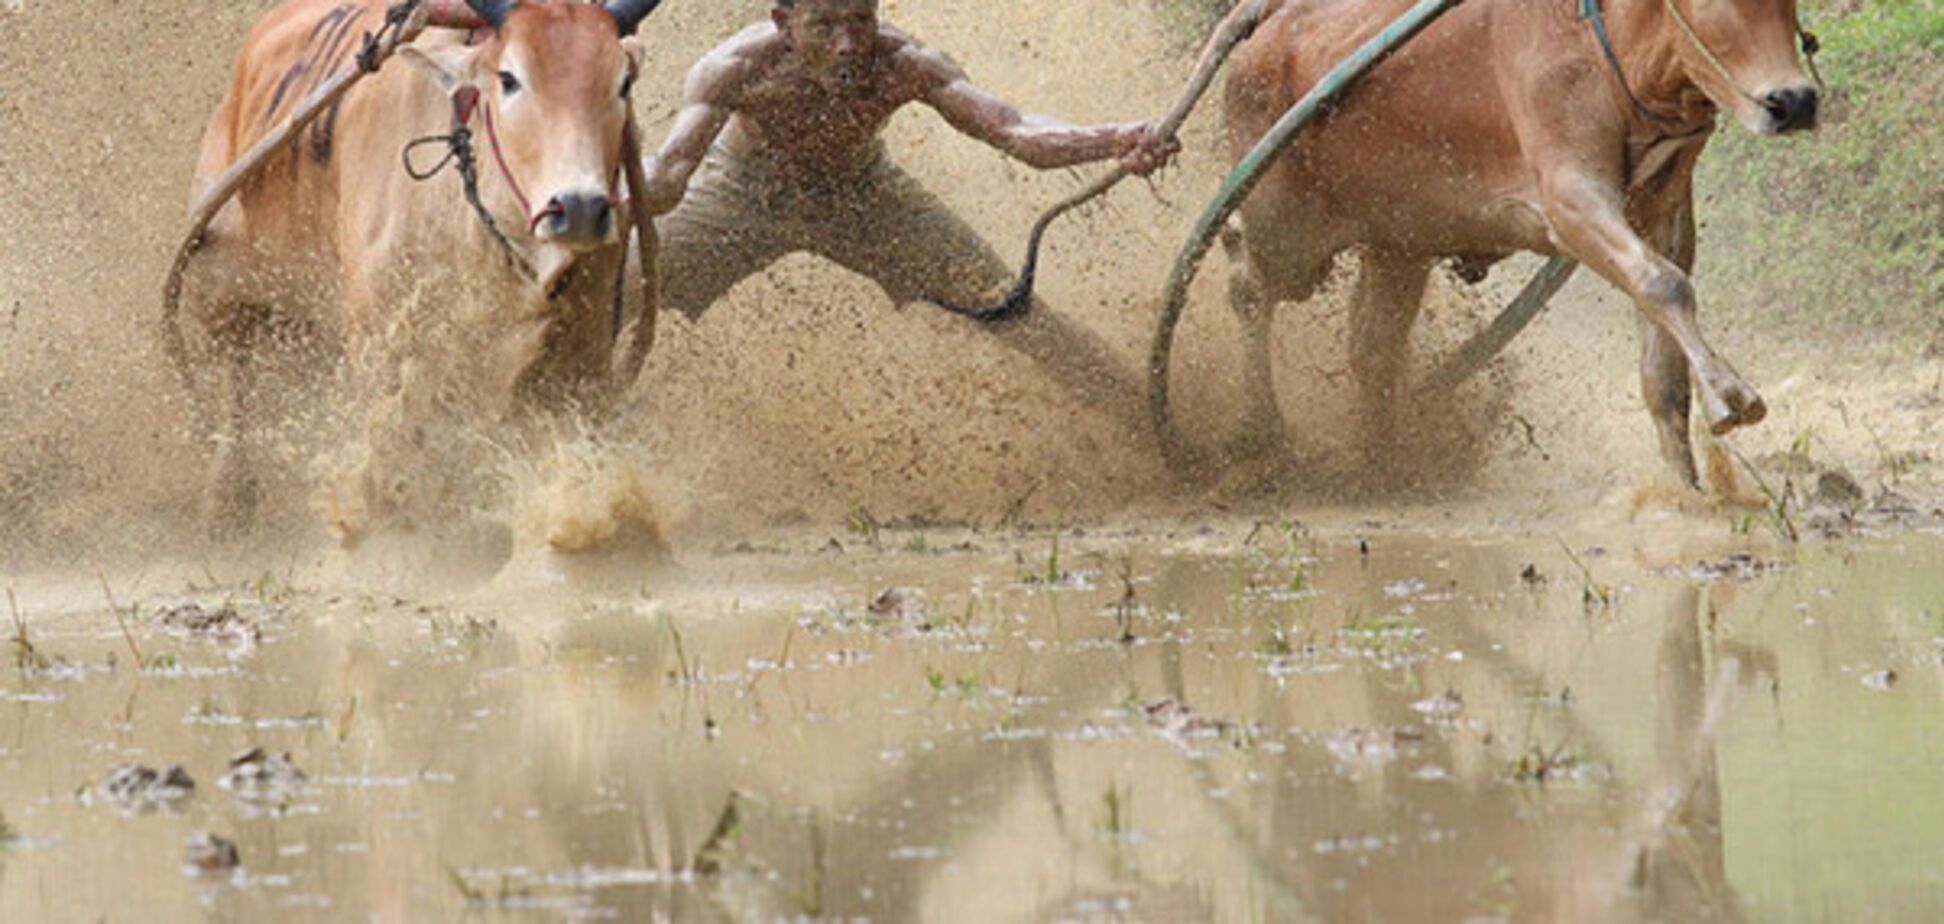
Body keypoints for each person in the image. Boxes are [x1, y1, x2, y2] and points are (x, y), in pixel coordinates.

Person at [629, 0, 1178, 421]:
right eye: (824, 25)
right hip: (739, 192)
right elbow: (669, 175)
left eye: (860, 20)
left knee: (1011, 307)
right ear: (784, 22)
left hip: (866, 196)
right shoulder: (734, 67)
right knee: (612, 293)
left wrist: (1114, 139)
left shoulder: (905, 62)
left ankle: (1158, 428)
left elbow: (1014, 131)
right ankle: (555, 431)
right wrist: (595, 200)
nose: (848, 45)